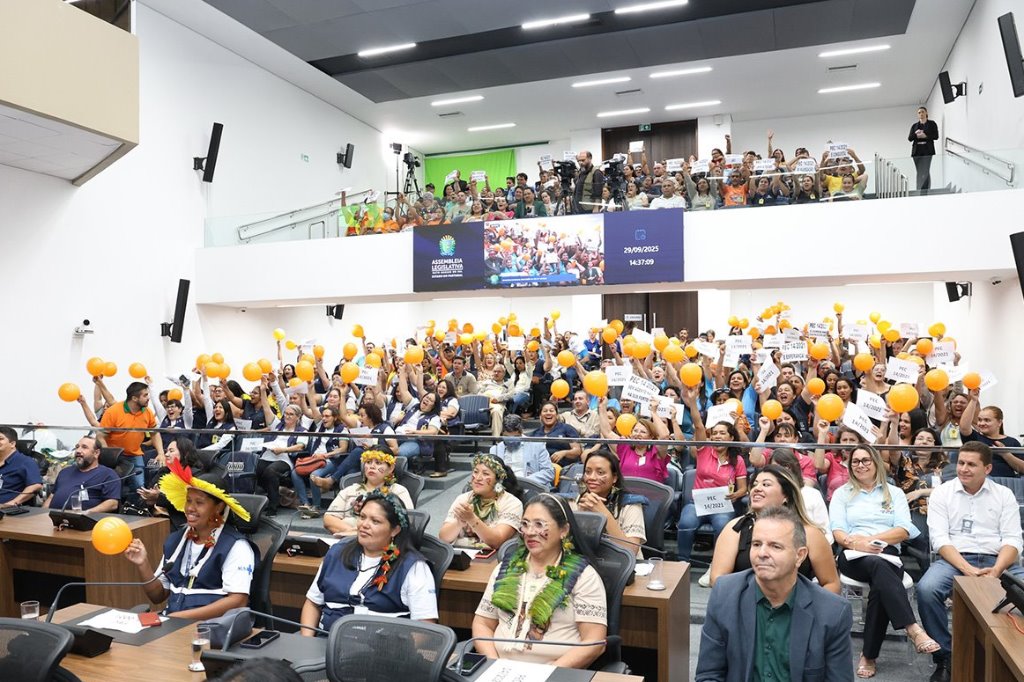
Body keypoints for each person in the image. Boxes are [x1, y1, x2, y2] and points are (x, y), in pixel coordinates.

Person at [695, 505, 854, 682]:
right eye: (756, 544)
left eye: (775, 546)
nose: (762, 553)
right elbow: (709, 675)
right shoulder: (725, 594)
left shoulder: (832, 612)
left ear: (800, 556)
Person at [916, 441, 1024, 682]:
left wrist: (996, 571)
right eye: (961, 463)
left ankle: (1016, 655)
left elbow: (1013, 540)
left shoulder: (1003, 495)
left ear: (987, 469)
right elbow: (940, 539)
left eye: (971, 464)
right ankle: (945, 656)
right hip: (955, 559)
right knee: (926, 589)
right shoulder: (943, 493)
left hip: (999, 561)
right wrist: (968, 571)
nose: (963, 469)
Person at [829, 445, 940, 678]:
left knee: (881, 582)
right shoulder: (842, 493)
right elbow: (838, 532)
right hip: (853, 554)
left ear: (876, 463)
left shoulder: (894, 493)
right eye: (856, 461)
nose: (861, 465)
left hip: (887, 552)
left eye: (866, 460)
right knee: (879, 568)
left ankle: (868, 656)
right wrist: (857, 544)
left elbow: (903, 530)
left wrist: (871, 539)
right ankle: (913, 628)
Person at [472, 494, 607, 667]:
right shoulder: (506, 569)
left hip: (555, 672)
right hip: (501, 670)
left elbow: (594, 642)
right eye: (525, 524)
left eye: (539, 524)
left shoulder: (583, 576)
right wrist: (493, 664)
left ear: (564, 530)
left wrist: (549, 672)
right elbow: (482, 623)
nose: (529, 532)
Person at [124, 460, 256, 618]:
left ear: (219, 507)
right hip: (173, 625)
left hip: (210, 630)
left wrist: (181, 618)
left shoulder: (236, 546)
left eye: (199, 502)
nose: (190, 508)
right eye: (188, 501)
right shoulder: (176, 541)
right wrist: (142, 564)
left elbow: (238, 601)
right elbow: (158, 595)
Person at [302, 491, 437, 633]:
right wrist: (306, 643)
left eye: (375, 521)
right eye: (362, 517)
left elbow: (425, 628)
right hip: (328, 644)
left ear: (395, 530)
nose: (364, 525)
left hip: (384, 651)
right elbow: (312, 604)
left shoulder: (413, 567)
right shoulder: (337, 552)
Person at [709, 466, 839, 593]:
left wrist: (810, 610)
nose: (757, 489)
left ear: (786, 496)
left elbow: (831, 583)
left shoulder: (810, 534)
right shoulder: (734, 529)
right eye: (754, 484)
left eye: (766, 484)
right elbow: (717, 580)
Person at [677, 386, 748, 562]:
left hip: (722, 506)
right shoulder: (704, 450)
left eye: (722, 433)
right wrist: (692, 402)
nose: (717, 436)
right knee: (686, 523)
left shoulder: (737, 460)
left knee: (723, 525)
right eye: (714, 433)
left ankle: (717, 564)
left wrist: (735, 495)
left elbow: (743, 489)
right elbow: (698, 424)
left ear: (731, 438)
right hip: (697, 504)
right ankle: (682, 562)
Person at [571, 449, 647, 556]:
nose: (592, 477)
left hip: (622, 566)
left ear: (614, 477)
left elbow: (631, 551)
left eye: (600, 472)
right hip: (587, 564)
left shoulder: (630, 504)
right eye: (588, 472)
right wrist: (580, 516)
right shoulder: (578, 501)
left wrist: (604, 513)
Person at [439, 454, 523, 550]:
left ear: (498, 480)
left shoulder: (512, 503)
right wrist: (459, 523)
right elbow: (443, 539)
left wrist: (472, 519)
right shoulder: (463, 499)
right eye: (475, 472)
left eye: (485, 474)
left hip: (495, 559)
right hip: (463, 556)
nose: (478, 478)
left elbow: (497, 542)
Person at [323, 449, 413, 536]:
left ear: (391, 468)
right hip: (346, 540)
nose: (372, 466)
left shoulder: (398, 491)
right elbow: (329, 519)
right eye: (368, 462)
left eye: (378, 463)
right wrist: (354, 532)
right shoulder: (350, 490)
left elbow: (406, 522)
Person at [99, 381, 165, 494]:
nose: (148, 398)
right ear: (134, 398)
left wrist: (161, 453)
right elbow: (100, 436)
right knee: (112, 488)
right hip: (115, 456)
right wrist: (107, 456)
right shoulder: (113, 412)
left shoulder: (148, 412)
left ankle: (137, 509)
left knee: (140, 488)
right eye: (145, 395)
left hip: (135, 455)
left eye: (148, 394)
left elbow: (154, 433)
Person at [597, 397, 671, 483]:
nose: (638, 434)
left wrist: (653, 412)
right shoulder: (624, 448)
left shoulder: (656, 452)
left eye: (643, 432)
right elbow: (607, 432)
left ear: (651, 437)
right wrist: (602, 407)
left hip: (651, 495)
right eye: (635, 431)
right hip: (626, 495)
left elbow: (664, 436)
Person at [42, 434, 119, 512]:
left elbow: (112, 504)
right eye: (77, 447)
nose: (78, 450)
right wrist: (42, 513)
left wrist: (88, 513)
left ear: (96, 453)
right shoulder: (65, 472)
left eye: (84, 447)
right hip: (52, 518)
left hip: (84, 520)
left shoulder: (108, 474)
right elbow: (51, 497)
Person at [958, 395, 1023, 477]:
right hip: (980, 482)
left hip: (1007, 483)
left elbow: (1022, 469)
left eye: (987, 420)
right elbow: (964, 427)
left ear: (999, 422)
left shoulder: (1012, 442)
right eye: (979, 420)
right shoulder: (975, 438)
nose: (981, 423)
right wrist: (973, 400)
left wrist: (1006, 454)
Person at [489, 415, 555, 488]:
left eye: (515, 437)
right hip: (504, 488)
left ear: (521, 432)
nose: (511, 441)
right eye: (507, 436)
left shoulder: (537, 446)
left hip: (530, 487)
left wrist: (526, 482)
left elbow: (549, 472)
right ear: (502, 433)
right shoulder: (495, 450)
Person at [0, 426, 42, 509]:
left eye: (0, 438)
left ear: (12, 444)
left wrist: (10, 504)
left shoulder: (25, 462)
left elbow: (35, 486)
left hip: (8, 512)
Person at [529, 401, 582, 465]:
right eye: (545, 411)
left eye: (551, 411)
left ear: (557, 415)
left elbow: (577, 451)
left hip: (563, 467)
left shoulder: (567, 429)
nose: (548, 413)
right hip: (540, 466)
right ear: (540, 416)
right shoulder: (535, 433)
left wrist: (564, 453)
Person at [908, 106, 939, 191]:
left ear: (926, 113)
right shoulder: (914, 126)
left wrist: (925, 135)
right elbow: (910, 138)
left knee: (925, 170)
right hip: (917, 151)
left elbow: (936, 136)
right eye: (919, 113)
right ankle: (919, 189)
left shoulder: (932, 124)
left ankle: (926, 190)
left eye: (922, 112)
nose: (921, 114)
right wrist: (916, 135)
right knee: (919, 171)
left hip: (927, 150)